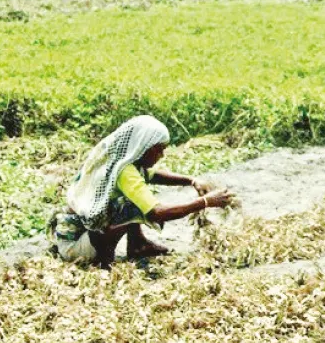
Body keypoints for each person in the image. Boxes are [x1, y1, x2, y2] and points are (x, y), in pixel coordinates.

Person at [49, 115, 234, 268]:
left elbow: (152, 175)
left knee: (129, 201)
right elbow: (156, 213)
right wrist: (206, 202)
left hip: (71, 238)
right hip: (77, 249)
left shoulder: (118, 160)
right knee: (129, 205)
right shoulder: (124, 172)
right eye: (159, 150)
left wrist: (191, 180)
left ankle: (138, 245)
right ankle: (103, 262)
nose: (161, 156)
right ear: (143, 147)